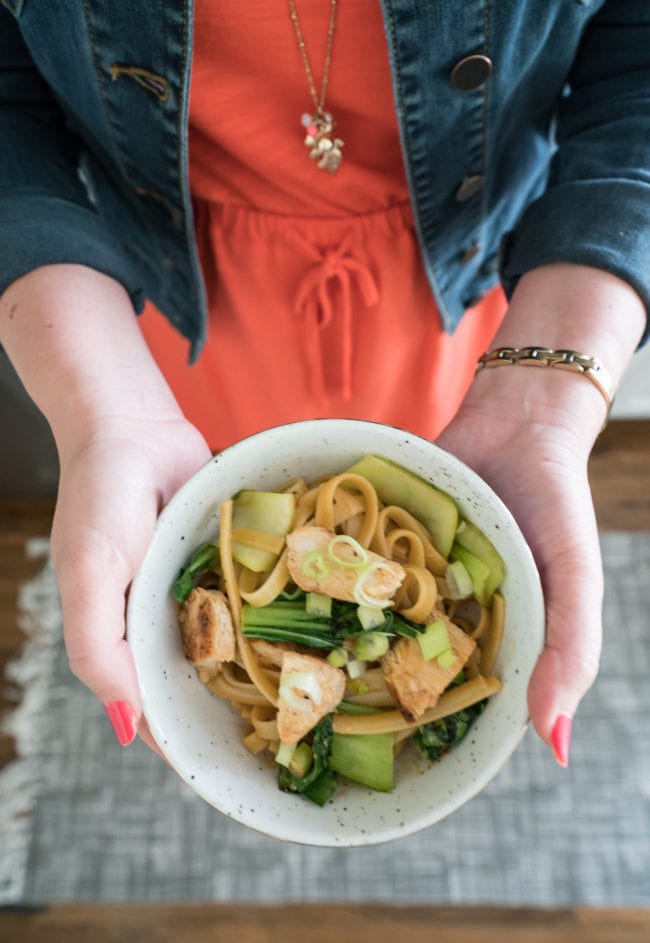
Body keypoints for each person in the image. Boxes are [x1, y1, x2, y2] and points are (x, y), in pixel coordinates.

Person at [0, 1, 647, 771]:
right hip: (169, 296)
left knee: (423, 467)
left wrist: (546, 401)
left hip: (458, 294)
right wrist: (100, 408)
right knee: (218, 488)